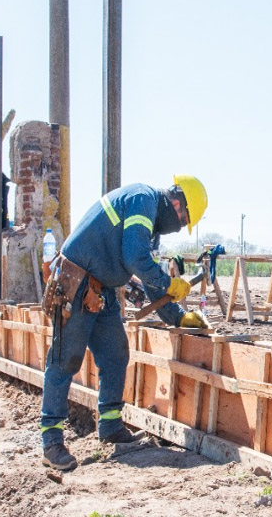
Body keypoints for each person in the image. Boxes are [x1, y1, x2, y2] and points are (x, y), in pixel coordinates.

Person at [40, 175, 208, 471]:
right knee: (65, 360)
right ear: (177, 204)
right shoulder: (142, 201)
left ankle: (110, 426)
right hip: (76, 283)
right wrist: (170, 283)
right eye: (183, 221)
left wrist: (178, 315)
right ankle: (52, 441)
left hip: (99, 290)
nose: (179, 227)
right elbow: (135, 258)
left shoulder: (151, 221)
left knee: (116, 355)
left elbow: (147, 274)